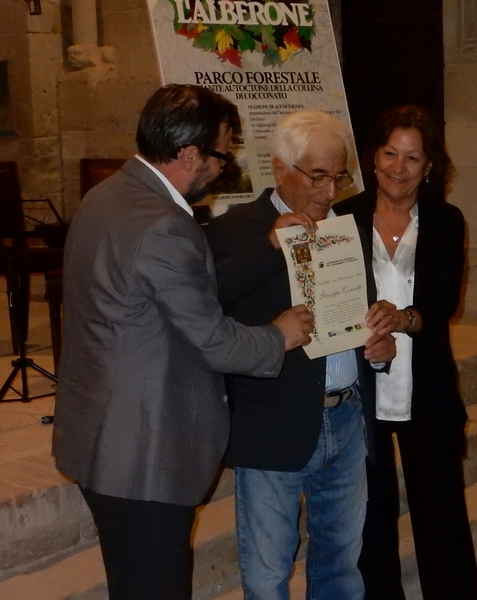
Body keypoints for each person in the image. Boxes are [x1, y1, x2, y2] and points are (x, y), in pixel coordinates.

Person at [52, 84, 314, 600]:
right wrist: (278, 335)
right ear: (189, 154)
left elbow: (176, 294)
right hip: (143, 453)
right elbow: (214, 342)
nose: (225, 165)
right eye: (222, 152)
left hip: (101, 438)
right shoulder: (165, 225)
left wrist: (268, 249)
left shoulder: (107, 195)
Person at [204, 110, 397, 600]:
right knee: (269, 574)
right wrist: (272, 246)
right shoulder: (234, 230)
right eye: (317, 177)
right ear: (278, 168)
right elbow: (207, 307)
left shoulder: (345, 229)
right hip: (273, 423)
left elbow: (359, 315)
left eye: (338, 177)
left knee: (341, 567)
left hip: (347, 418)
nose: (329, 192)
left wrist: (377, 347)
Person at [334, 106, 477, 600]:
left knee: (441, 515)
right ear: (373, 157)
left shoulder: (445, 221)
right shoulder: (344, 217)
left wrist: (403, 319)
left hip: (428, 387)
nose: (399, 167)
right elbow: (331, 301)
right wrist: (363, 332)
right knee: (371, 521)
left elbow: (442, 303)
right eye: (390, 153)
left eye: (412, 157)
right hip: (364, 385)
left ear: (430, 166)